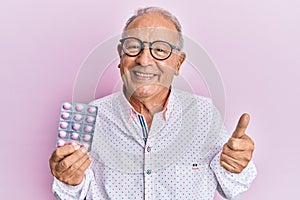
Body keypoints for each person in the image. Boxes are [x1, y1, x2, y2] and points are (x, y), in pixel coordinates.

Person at [49, 7, 257, 199]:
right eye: (133, 47)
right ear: (121, 56)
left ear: (178, 63)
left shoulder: (204, 114)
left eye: (160, 49)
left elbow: (232, 186)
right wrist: (69, 181)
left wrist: (236, 166)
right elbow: (73, 195)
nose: (144, 60)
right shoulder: (89, 118)